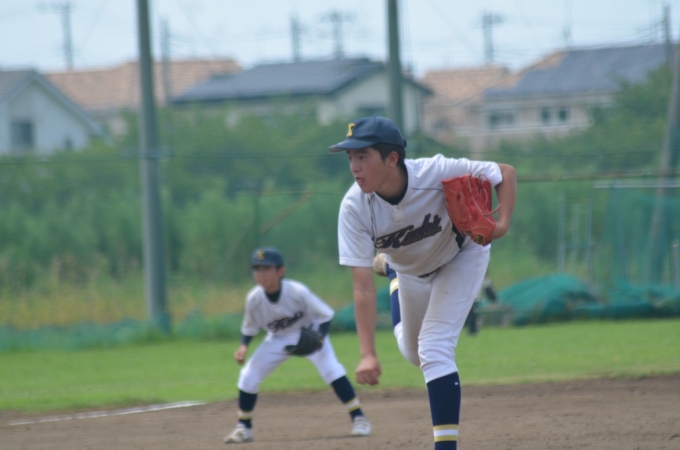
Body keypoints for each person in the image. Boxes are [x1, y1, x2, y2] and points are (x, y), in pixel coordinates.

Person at [328, 116, 516, 449]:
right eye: (350, 158)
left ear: (392, 159)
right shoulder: (355, 208)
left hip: (462, 254)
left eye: (363, 156)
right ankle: (392, 272)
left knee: (434, 347)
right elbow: (362, 287)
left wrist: (500, 225)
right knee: (414, 354)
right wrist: (367, 354)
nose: (354, 166)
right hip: (410, 269)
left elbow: (505, 173)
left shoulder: (437, 172)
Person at [224, 247, 371, 444]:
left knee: (331, 370)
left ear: (280, 271)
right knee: (248, 375)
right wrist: (243, 346)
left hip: (309, 333)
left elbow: (326, 315)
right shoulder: (254, 299)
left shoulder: (296, 291)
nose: (261, 273)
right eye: (257, 269)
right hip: (277, 339)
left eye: (267, 268)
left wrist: (320, 339)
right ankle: (244, 428)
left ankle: (359, 419)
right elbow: (250, 327)